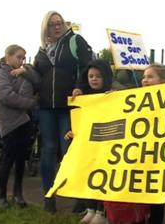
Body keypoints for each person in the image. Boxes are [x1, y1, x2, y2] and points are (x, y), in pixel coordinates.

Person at [33, 11, 94, 213]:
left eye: (59, 23)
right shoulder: (42, 49)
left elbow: (87, 66)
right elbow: (37, 75)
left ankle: (77, 196)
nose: (57, 27)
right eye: (52, 24)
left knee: (69, 151)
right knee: (48, 151)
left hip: (69, 105)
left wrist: (80, 86)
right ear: (46, 27)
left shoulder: (75, 41)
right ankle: (49, 195)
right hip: (46, 108)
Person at [104, 63, 165, 224]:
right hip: (141, 155)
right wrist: (111, 101)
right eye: (143, 77)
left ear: (162, 81)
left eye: (150, 77)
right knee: (140, 195)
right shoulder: (136, 98)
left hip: (160, 156)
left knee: (156, 197)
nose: (145, 80)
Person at [0, 44, 40, 209]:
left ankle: (18, 192)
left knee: (21, 158)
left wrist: (26, 72)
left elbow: (37, 83)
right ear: (8, 57)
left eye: (23, 58)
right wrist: (30, 103)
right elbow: (5, 95)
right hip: (9, 120)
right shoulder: (0, 73)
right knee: (7, 158)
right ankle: (0, 194)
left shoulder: (24, 74)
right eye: (18, 57)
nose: (21, 61)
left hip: (24, 120)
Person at [63, 59, 114, 224]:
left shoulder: (114, 94)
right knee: (88, 176)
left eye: (98, 76)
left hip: (106, 145)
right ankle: (91, 209)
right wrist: (72, 132)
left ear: (106, 77)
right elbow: (79, 120)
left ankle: (102, 212)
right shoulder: (83, 97)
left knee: (103, 177)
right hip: (88, 146)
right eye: (91, 76)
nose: (94, 79)